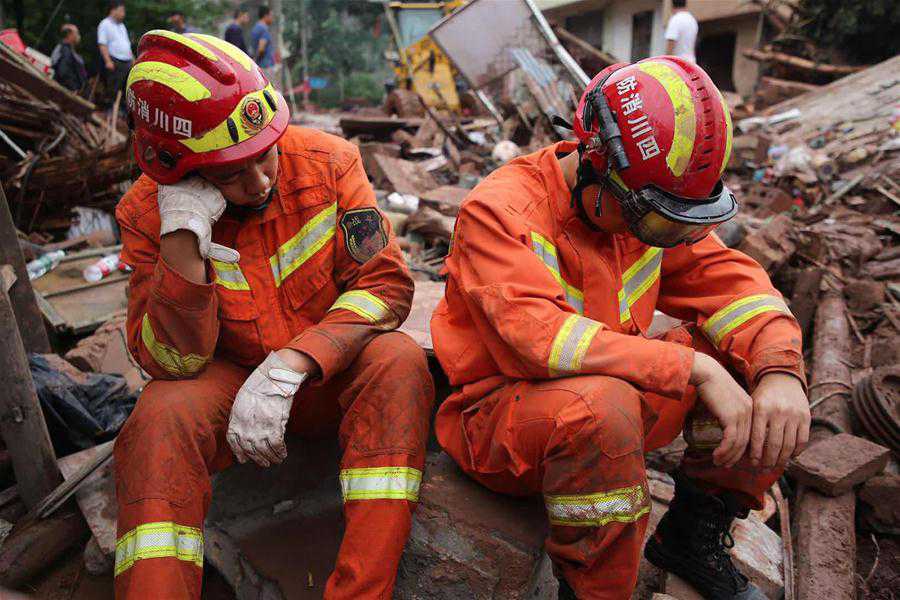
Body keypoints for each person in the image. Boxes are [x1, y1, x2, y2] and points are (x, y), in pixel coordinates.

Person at [431, 57, 810, 600]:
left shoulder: (637, 200)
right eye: (662, 221)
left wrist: (780, 373)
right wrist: (692, 367)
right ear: (594, 159)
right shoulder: (501, 212)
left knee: (748, 361)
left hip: (613, 405)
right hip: (502, 423)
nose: (667, 236)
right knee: (602, 408)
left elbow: (737, 289)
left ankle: (690, 538)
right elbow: (540, 341)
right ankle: (594, 590)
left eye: (683, 221)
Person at [114, 30, 433, 599]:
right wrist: (184, 241)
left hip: (330, 373)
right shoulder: (146, 214)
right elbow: (170, 362)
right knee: (160, 418)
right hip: (228, 383)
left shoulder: (330, 163)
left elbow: (384, 284)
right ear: (179, 170)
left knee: (399, 360)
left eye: (266, 154)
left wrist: (295, 360)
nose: (261, 182)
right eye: (233, 173)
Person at [97, 0, 133, 108]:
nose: (123, 14)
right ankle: (106, 109)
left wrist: (133, 59)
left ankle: (120, 111)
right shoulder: (105, 24)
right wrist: (108, 61)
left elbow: (127, 44)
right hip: (114, 60)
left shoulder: (122, 26)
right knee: (112, 88)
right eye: (121, 11)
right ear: (113, 10)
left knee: (126, 88)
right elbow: (102, 43)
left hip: (126, 60)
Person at [51, 24, 87, 93]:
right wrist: (73, 88)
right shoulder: (65, 50)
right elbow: (63, 71)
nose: (78, 36)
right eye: (77, 33)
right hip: (62, 91)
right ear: (70, 35)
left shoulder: (67, 50)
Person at [250, 5, 276, 80]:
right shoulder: (264, 29)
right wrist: (257, 60)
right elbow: (261, 48)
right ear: (265, 16)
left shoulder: (255, 27)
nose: (272, 18)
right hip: (265, 66)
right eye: (271, 16)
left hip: (259, 66)